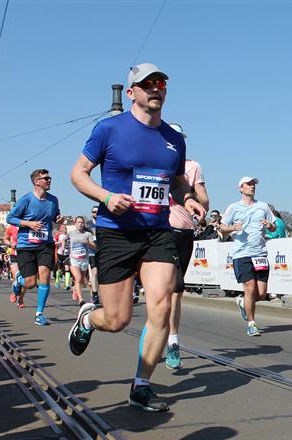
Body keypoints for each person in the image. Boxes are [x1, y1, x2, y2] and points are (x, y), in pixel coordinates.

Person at [68, 62, 204, 412]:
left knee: (162, 305)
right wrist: (106, 197)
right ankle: (88, 318)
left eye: (161, 83)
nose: (156, 88)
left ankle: (141, 385)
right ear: (131, 93)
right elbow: (78, 174)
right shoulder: (108, 129)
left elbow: (176, 182)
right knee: (117, 320)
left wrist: (188, 198)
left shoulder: (174, 139)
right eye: (148, 84)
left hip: (157, 230)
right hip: (116, 232)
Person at [165, 123, 209, 371]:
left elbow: (205, 201)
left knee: (176, 291)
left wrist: (191, 194)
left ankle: (168, 339)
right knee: (168, 289)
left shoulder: (192, 166)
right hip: (160, 231)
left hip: (185, 232)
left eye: (178, 138)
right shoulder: (153, 162)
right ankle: (167, 340)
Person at [220, 176, 276, 336]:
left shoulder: (263, 206)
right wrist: (232, 228)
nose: (252, 186)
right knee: (250, 288)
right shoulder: (233, 208)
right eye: (249, 184)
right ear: (241, 188)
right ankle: (252, 324)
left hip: (260, 254)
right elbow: (222, 228)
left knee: (261, 294)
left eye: (253, 184)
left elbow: (273, 227)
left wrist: (270, 225)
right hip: (242, 254)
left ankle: (242, 302)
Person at [7, 168, 62, 326]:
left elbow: (55, 216)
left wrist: (58, 220)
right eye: (46, 178)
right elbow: (10, 218)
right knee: (30, 283)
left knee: (45, 276)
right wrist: (28, 223)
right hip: (26, 245)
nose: (49, 180)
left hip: (45, 244)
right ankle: (19, 280)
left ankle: (39, 314)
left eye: (49, 178)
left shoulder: (53, 200)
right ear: (37, 182)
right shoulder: (26, 200)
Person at [67, 216, 97, 306]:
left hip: (84, 259)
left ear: (84, 224)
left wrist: (88, 242)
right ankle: (81, 299)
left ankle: (75, 288)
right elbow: (62, 241)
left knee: (83, 282)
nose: (80, 224)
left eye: (82, 222)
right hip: (74, 260)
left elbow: (95, 246)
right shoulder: (71, 233)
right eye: (78, 222)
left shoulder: (88, 234)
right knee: (78, 278)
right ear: (75, 224)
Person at [4, 223, 26, 307]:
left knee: (25, 278)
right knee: (16, 276)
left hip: (26, 255)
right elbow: (5, 239)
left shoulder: (28, 226)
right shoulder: (12, 227)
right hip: (14, 255)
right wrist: (10, 244)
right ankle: (14, 292)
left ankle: (21, 299)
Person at [85, 206, 100, 305]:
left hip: (102, 251)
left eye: (97, 212)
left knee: (101, 274)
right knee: (94, 273)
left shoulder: (103, 223)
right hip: (92, 251)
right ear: (92, 213)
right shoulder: (88, 224)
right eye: (94, 212)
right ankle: (95, 294)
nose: (96, 213)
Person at [54, 224, 71, 290]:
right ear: (60, 229)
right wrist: (60, 242)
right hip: (60, 254)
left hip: (67, 254)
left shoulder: (69, 235)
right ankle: (57, 281)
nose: (64, 229)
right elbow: (53, 243)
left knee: (67, 268)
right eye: (63, 227)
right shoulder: (58, 235)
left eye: (65, 228)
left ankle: (66, 284)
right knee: (59, 269)